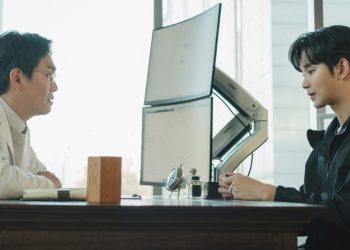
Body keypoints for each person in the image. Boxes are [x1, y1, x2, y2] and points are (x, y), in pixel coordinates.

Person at [218, 25, 350, 249]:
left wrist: (266, 193)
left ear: (341, 68)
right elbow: (314, 211)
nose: (304, 83)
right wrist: (252, 196)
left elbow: (343, 213)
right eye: (303, 74)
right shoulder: (327, 141)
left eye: (311, 71)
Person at [0, 31, 62, 199]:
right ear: (18, 78)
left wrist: (46, 181)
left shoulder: (19, 127)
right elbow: (3, 182)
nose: (55, 86)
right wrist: (47, 183)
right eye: (48, 75)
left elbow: (45, 176)